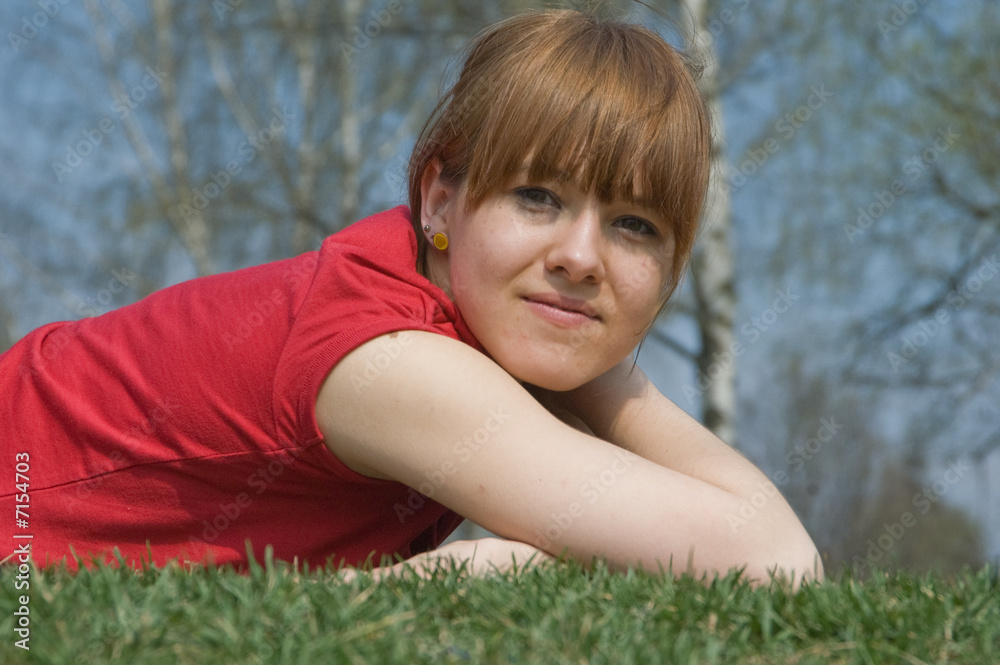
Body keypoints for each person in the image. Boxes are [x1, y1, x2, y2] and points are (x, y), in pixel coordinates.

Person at [1, 8, 822, 584]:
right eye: (537, 196)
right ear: (439, 200)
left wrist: (593, 358)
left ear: (675, 266)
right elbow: (774, 560)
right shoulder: (393, 357)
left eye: (635, 226)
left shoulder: (425, 297)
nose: (580, 257)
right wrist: (470, 568)